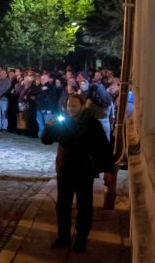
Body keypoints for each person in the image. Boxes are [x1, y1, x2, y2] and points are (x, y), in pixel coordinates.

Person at [42, 93, 114, 252]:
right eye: (68, 106)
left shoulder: (92, 124)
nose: (70, 109)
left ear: (82, 106)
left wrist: (108, 169)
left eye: (74, 106)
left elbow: (103, 147)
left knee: (84, 206)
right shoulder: (62, 122)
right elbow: (46, 140)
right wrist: (49, 127)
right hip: (65, 168)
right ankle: (63, 237)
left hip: (84, 169)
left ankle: (81, 240)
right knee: (63, 205)